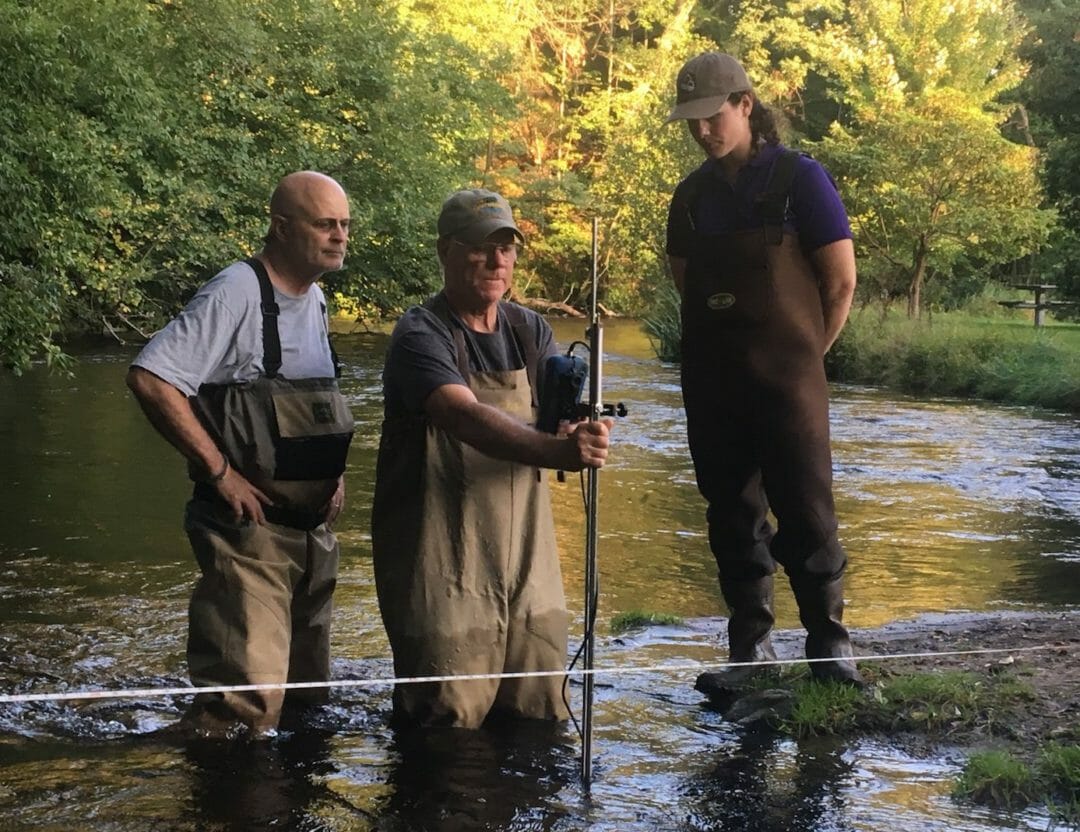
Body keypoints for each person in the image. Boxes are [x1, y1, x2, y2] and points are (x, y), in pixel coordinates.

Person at [371, 188, 613, 728]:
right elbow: (461, 416)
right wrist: (557, 449)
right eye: (480, 247)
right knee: (446, 718)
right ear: (446, 252)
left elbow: (560, 412)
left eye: (506, 247)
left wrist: (581, 428)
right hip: (440, 558)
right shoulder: (421, 333)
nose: (497, 260)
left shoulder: (532, 330)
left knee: (539, 708)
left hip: (528, 557)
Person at [126, 170, 356, 736]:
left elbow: (313, 408)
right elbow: (153, 379)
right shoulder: (236, 291)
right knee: (240, 717)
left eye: (345, 225)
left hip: (310, 536)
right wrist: (220, 471)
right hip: (247, 537)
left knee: (308, 706)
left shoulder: (317, 299)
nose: (340, 236)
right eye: (325, 224)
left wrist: (333, 478)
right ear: (281, 227)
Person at [664, 52, 863, 686]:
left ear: (746, 106)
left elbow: (841, 283)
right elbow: (686, 285)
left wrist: (804, 360)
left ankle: (829, 646)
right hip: (714, 384)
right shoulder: (690, 199)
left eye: (712, 116)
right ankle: (750, 646)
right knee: (730, 514)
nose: (702, 131)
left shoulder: (800, 180)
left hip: (789, 385)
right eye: (691, 121)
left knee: (807, 512)